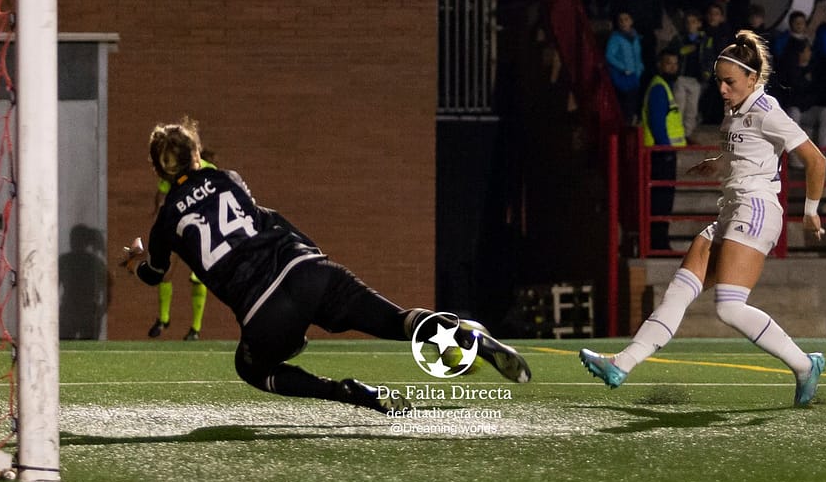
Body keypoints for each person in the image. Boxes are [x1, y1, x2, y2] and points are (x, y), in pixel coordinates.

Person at [121, 118, 532, 415]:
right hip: (307, 271)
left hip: (264, 311)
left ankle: (350, 393)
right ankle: (470, 338)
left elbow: (156, 274)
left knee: (251, 367)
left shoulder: (166, 221)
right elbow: (260, 217)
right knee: (397, 320)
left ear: (158, 169)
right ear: (196, 154)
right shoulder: (230, 179)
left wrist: (135, 261)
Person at [580, 31, 826, 407]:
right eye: (719, 81)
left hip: (756, 209)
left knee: (729, 306)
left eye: (730, 82)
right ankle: (621, 364)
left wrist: (810, 212)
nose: (723, 90)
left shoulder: (766, 110)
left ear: (751, 78)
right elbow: (747, 152)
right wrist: (717, 163)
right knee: (679, 289)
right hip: (732, 208)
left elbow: (816, 160)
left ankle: (804, 365)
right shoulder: (734, 111)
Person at [147, 148, 217, 340]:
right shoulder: (174, 172)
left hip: (200, 231)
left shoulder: (210, 170)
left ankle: (195, 329)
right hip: (177, 228)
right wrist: (157, 210)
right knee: (165, 273)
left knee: (197, 278)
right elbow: (161, 193)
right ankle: (163, 318)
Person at [641, 49, 687, 251]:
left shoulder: (664, 87)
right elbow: (657, 122)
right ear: (660, 65)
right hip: (660, 154)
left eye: (675, 64)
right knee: (661, 199)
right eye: (668, 63)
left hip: (662, 152)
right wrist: (666, 149)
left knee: (663, 199)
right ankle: (658, 242)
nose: (672, 67)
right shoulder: (660, 88)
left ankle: (659, 240)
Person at [776, 38, 826, 165]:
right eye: (807, 50)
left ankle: (822, 155)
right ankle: (795, 159)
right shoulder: (788, 70)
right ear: (799, 52)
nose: (809, 53)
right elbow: (790, 95)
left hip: (809, 109)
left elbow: (817, 92)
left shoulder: (815, 69)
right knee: (794, 112)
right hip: (794, 111)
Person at [669, 10, 714, 141]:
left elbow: (709, 57)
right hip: (681, 78)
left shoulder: (705, 40)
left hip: (696, 79)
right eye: (687, 22)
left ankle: (687, 134)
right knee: (679, 106)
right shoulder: (679, 39)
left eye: (693, 22)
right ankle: (677, 133)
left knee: (692, 109)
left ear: (699, 24)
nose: (690, 25)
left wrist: (707, 73)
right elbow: (673, 53)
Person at [605, 11, 645, 124]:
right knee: (626, 104)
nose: (623, 22)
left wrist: (640, 67)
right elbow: (609, 55)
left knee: (633, 102)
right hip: (624, 77)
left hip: (635, 75)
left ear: (631, 21)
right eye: (620, 20)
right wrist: (623, 68)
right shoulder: (615, 38)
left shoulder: (635, 36)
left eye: (626, 19)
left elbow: (637, 54)